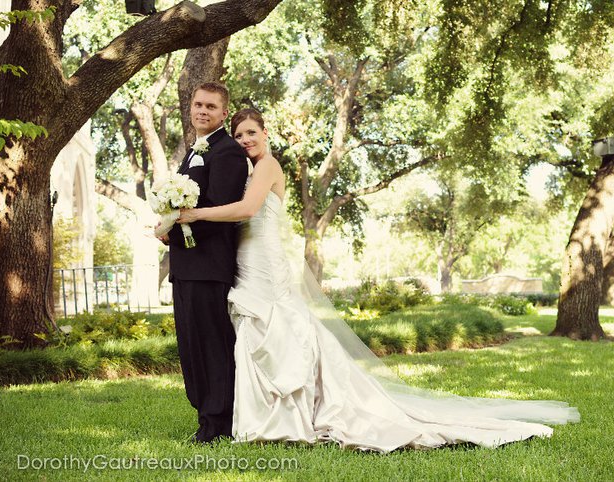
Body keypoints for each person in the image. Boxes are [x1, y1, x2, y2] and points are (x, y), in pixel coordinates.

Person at [176, 108, 579, 453]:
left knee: (279, 329)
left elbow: (247, 209)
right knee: (253, 333)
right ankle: (262, 418)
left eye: (252, 133)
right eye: (240, 134)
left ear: (265, 134)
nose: (246, 139)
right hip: (246, 261)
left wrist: (192, 216)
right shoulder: (242, 168)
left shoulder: (268, 166)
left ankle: (294, 417)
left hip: (267, 261)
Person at [160, 83, 249, 444]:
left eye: (210, 106)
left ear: (223, 113)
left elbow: (218, 211)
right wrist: (167, 225)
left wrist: (176, 230)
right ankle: (205, 417)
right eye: (198, 104)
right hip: (186, 267)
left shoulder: (226, 152)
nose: (202, 110)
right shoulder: (194, 150)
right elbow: (186, 210)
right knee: (191, 347)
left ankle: (217, 423)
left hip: (208, 268)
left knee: (210, 346)